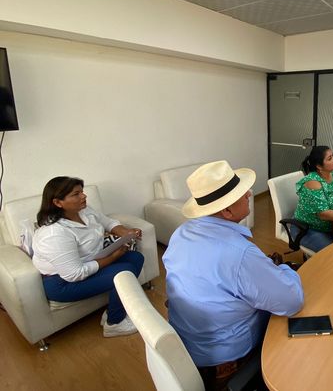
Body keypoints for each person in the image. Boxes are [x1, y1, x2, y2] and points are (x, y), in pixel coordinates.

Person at [163, 161, 303, 390]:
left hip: (187, 344)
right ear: (227, 211)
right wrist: (285, 269)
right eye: (242, 193)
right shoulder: (240, 254)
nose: (249, 194)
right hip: (227, 362)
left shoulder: (181, 233)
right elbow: (292, 302)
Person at [32, 176, 144, 338]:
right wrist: (114, 257)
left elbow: (108, 222)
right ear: (58, 202)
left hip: (90, 262)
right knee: (123, 271)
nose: (83, 196)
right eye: (76, 194)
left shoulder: (84, 210)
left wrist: (126, 233)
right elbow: (74, 274)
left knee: (136, 258)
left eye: (82, 192)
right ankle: (114, 323)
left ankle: (111, 312)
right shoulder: (54, 234)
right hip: (62, 283)